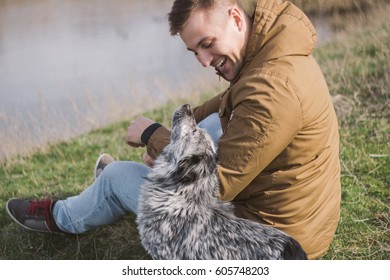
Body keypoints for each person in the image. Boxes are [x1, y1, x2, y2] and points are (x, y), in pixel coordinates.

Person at [6, 0, 341, 259]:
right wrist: (173, 140)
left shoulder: (273, 93)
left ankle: (61, 216)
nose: (205, 61)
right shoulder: (273, 56)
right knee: (201, 125)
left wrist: (153, 135)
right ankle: (119, 193)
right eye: (195, 51)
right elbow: (226, 104)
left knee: (117, 176)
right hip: (291, 227)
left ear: (236, 19)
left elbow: (207, 190)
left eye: (208, 44)